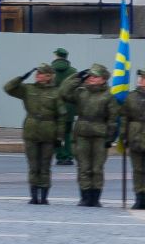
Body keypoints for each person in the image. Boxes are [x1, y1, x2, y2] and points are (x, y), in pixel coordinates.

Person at [5, 60, 66, 204]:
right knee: (33, 165)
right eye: (37, 73)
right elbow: (8, 88)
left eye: (41, 73)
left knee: (45, 165)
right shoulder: (28, 89)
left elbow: (62, 116)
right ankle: (33, 195)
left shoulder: (56, 92)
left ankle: (44, 196)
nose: (37, 76)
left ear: (49, 76)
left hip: (48, 131)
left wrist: (60, 136)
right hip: (31, 131)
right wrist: (22, 77)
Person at [59, 63, 119, 206]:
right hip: (82, 133)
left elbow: (113, 119)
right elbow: (63, 92)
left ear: (103, 79)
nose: (91, 78)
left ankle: (95, 198)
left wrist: (110, 138)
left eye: (95, 76)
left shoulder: (108, 96)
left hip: (100, 135)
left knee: (97, 168)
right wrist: (77, 77)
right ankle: (85, 197)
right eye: (90, 75)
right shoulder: (81, 92)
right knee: (83, 167)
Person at [121, 65, 145, 209]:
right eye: (141, 78)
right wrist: (123, 136)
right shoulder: (131, 96)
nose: (141, 81)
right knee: (137, 169)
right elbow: (124, 117)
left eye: (144, 79)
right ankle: (139, 196)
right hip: (135, 137)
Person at [49, 48, 77, 166]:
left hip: (54, 105)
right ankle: (69, 155)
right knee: (68, 132)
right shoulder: (73, 71)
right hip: (69, 106)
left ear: (56, 56)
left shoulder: (49, 71)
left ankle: (60, 155)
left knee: (55, 132)